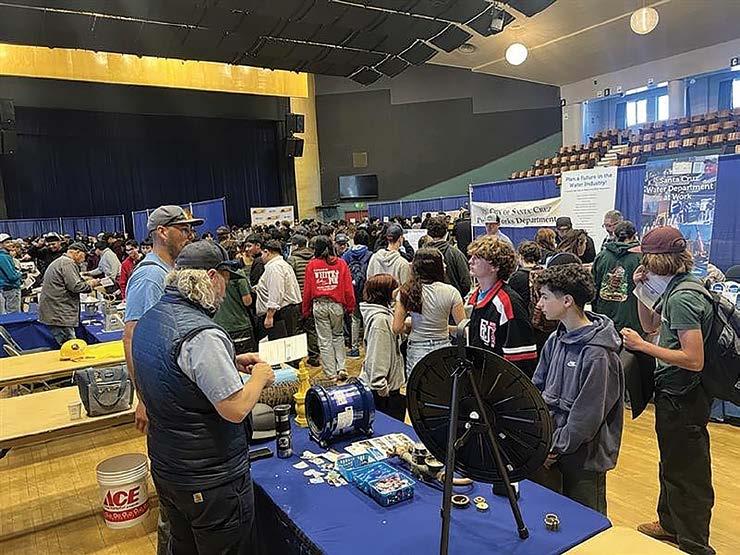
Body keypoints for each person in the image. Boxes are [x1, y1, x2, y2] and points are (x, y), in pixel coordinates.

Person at [132, 240, 275, 555]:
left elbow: (174, 373)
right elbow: (235, 408)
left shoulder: (150, 318)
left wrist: (228, 362)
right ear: (211, 277)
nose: (225, 289)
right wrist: (259, 377)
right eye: (225, 278)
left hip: (168, 468)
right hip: (210, 478)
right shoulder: (202, 334)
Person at [620, 227, 716, 555]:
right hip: (675, 390)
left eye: (646, 258)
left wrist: (643, 347)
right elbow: (650, 325)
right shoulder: (678, 287)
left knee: (687, 471)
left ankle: (693, 544)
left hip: (684, 393)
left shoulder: (683, 298)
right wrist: (640, 289)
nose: (643, 263)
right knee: (672, 463)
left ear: (657, 260)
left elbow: (693, 359)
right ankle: (670, 523)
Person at [123, 205, 202, 555]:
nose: (190, 234)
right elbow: (132, 337)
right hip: (162, 400)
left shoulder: (171, 271)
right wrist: (143, 396)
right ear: (161, 232)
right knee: (173, 510)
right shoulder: (150, 277)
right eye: (183, 229)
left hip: (176, 396)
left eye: (190, 229)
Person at [531, 264, 624, 516]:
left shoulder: (598, 354)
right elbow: (536, 389)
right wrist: (541, 440)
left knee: (585, 522)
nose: (540, 304)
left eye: (545, 297)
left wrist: (555, 446)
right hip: (551, 448)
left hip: (583, 458)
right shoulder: (555, 340)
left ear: (567, 301)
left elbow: (587, 416)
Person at [466, 236, 538, 376]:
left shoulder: (508, 303)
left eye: (478, 257)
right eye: (471, 256)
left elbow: (521, 359)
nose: (470, 261)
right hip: (481, 379)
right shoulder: (477, 296)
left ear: (495, 266)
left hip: (500, 382)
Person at [394, 248, 466, 378]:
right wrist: (445, 327)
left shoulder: (406, 291)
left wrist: (410, 325)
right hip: (443, 348)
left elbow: (396, 328)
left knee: (417, 387)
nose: (445, 265)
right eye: (442, 262)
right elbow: (462, 328)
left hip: (417, 349)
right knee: (441, 387)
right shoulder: (451, 292)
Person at [302, 236, 356, 378]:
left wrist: (305, 310)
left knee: (324, 340)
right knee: (338, 336)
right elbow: (348, 288)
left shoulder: (312, 265)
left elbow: (307, 290)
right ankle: (341, 367)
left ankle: (330, 373)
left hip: (319, 305)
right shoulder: (341, 263)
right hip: (336, 305)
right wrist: (351, 307)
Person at [360, 274, 406, 421]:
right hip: (384, 395)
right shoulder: (381, 321)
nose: (397, 291)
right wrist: (382, 388)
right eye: (394, 288)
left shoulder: (381, 315)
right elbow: (378, 355)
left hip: (386, 390)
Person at [38, 242, 100, 345]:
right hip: (59, 313)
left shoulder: (61, 261)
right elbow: (75, 287)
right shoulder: (68, 263)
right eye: (84, 255)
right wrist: (91, 284)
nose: (84, 259)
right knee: (70, 346)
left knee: (66, 344)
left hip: (55, 311)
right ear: (77, 252)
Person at [592, 221, 642, 333]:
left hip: (604, 320)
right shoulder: (641, 258)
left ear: (614, 235)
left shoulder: (602, 256)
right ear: (634, 235)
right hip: (633, 320)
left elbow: (593, 287)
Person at [254, 239, 302, 340]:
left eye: (262, 254)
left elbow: (276, 292)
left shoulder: (274, 267)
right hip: (287, 311)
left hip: (280, 314)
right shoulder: (282, 264)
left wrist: (269, 316)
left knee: (280, 345)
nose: (261, 257)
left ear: (267, 252)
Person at [287, 233, 319, 365]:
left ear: (295, 245)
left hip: (298, 299)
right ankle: (314, 356)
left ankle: (298, 360)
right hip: (312, 297)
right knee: (311, 328)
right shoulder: (314, 257)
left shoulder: (292, 260)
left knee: (297, 329)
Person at [343, 229, 373, 358]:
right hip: (366, 291)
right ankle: (368, 348)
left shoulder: (347, 255)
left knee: (355, 319)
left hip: (353, 291)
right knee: (367, 319)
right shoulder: (370, 254)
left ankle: (354, 348)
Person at [425, 216, 471, 298]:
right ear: (446, 232)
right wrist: (457, 296)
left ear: (428, 233)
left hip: (427, 299)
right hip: (453, 299)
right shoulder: (456, 254)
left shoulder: (420, 255)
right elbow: (466, 282)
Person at [214, 266, 256, 355]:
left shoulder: (208, 276)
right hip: (238, 324)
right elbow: (247, 301)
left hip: (218, 326)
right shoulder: (238, 274)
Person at [508, 241, 542, 310]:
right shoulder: (544, 273)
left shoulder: (516, 277)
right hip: (543, 313)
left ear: (520, 256)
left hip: (523, 313)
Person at [0, 234, 23, 314]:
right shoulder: (3, 257)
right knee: (14, 315)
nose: (10, 244)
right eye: (7, 242)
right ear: (1, 245)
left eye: (10, 242)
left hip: (6, 288)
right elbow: (12, 276)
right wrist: (20, 273)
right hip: (11, 289)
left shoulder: (5, 255)